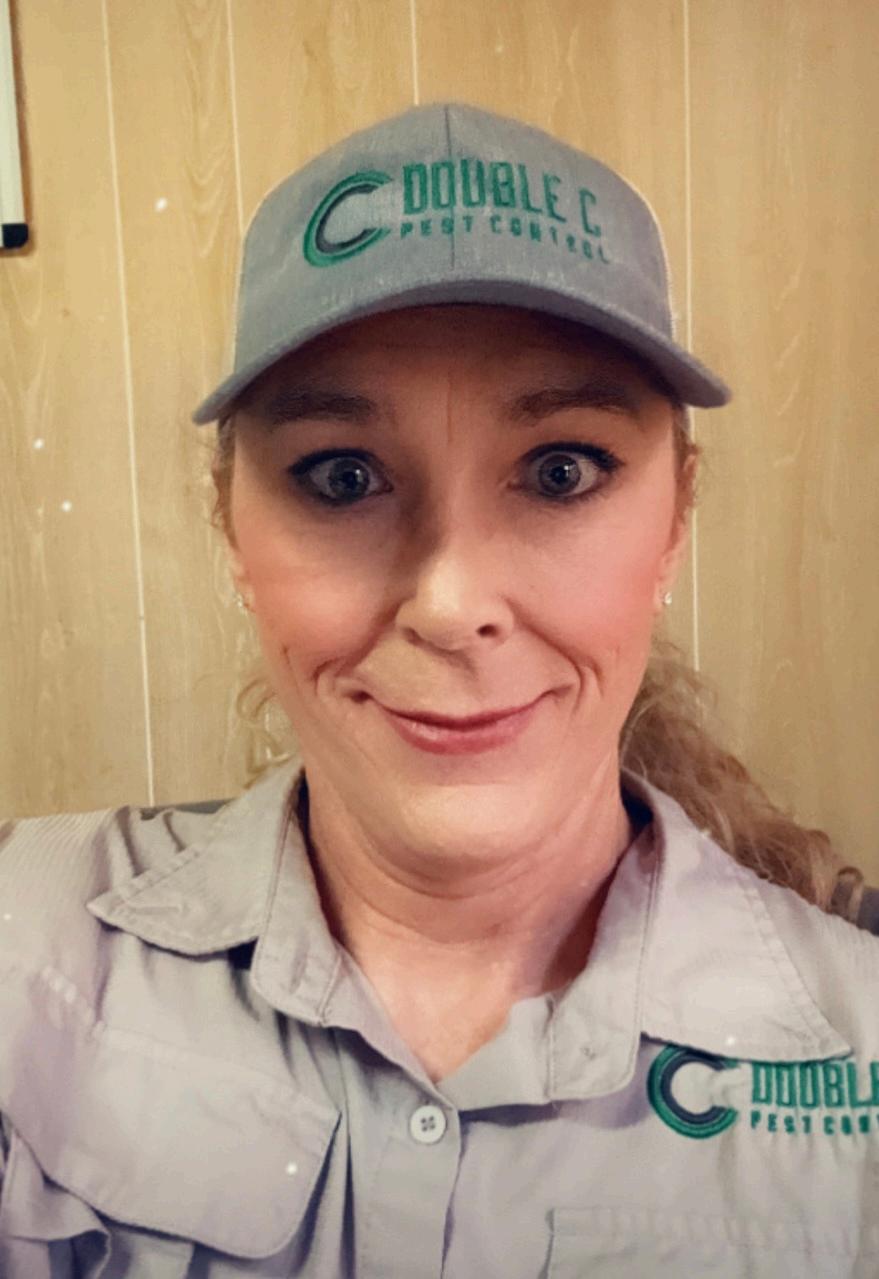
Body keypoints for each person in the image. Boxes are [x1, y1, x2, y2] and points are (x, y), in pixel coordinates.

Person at [0, 102, 876, 1278]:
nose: (451, 602)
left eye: (560, 471)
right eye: (341, 476)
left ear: (675, 517)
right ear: (230, 527)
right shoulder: (27, 952)